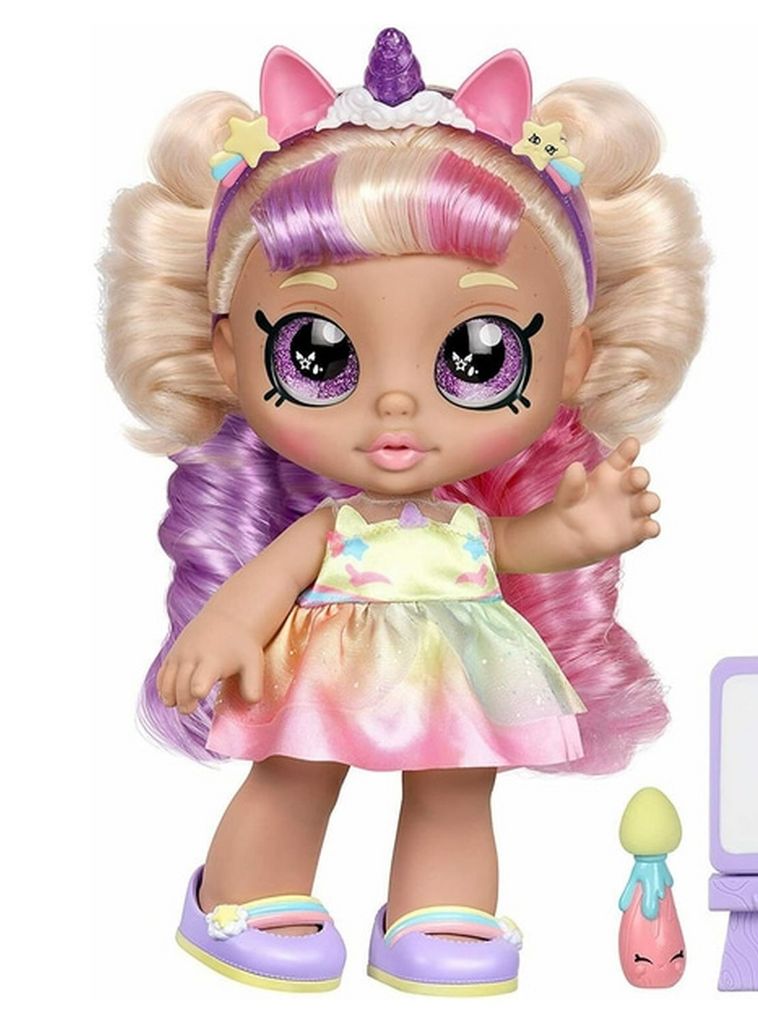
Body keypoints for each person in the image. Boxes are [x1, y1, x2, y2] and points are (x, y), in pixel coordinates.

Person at [101, 27, 708, 995]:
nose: (394, 402)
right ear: (227, 360)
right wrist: (224, 626)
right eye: (317, 352)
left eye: (476, 354)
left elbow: (511, 545)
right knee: (295, 770)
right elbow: (275, 576)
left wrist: (579, 532)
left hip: (457, 668)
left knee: (457, 785)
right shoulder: (328, 530)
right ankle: (243, 893)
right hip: (328, 666)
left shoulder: (468, 529)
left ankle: (439, 911)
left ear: (573, 363)